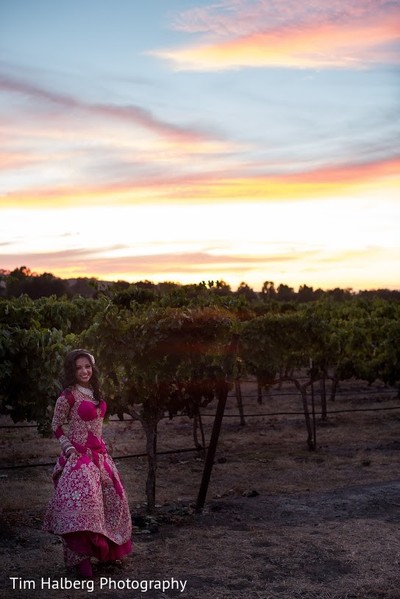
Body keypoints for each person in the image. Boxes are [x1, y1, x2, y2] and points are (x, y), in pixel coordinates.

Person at [44, 349, 132, 577]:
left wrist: (103, 446)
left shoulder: (95, 393)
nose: (84, 371)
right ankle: (80, 562)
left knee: (113, 501)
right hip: (79, 459)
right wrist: (69, 448)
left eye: (87, 366)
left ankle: (108, 553)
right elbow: (56, 425)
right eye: (79, 368)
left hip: (100, 457)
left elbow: (96, 425)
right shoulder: (68, 396)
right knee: (81, 507)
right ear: (72, 371)